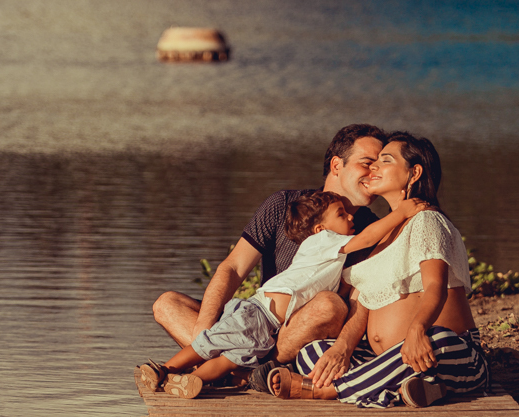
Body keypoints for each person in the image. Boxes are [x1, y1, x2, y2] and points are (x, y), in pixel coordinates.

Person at [268, 132, 490, 408]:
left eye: (385, 160)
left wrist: (417, 329)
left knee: (436, 339)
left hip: (449, 352)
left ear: (414, 173)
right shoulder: (382, 235)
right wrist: (343, 348)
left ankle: (329, 391)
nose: (373, 167)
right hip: (392, 358)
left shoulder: (427, 221)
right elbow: (363, 305)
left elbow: (435, 286)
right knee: (313, 353)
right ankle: (411, 390)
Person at [137, 191, 427, 399]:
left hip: (270, 325)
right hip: (259, 312)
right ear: (320, 228)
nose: (350, 217)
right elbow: (367, 238)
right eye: (342, 214)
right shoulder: (325, 241)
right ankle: (165, 369)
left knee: (230, 358)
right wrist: (400, 213)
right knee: (212, 343)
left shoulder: (333, 254)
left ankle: (189, 382)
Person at [151, 124, 387, 368]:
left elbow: (359, 305)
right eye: (367, 163)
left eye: (380, 167)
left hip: (298, 340)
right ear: (337, 165)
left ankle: (254, 369)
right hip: (255, 322)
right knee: (168, 304)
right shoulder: (284, 205)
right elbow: (233, 268)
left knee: (330, 305)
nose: (375, 174)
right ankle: (224, 364)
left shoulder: (374, 232)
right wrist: (203, 331)